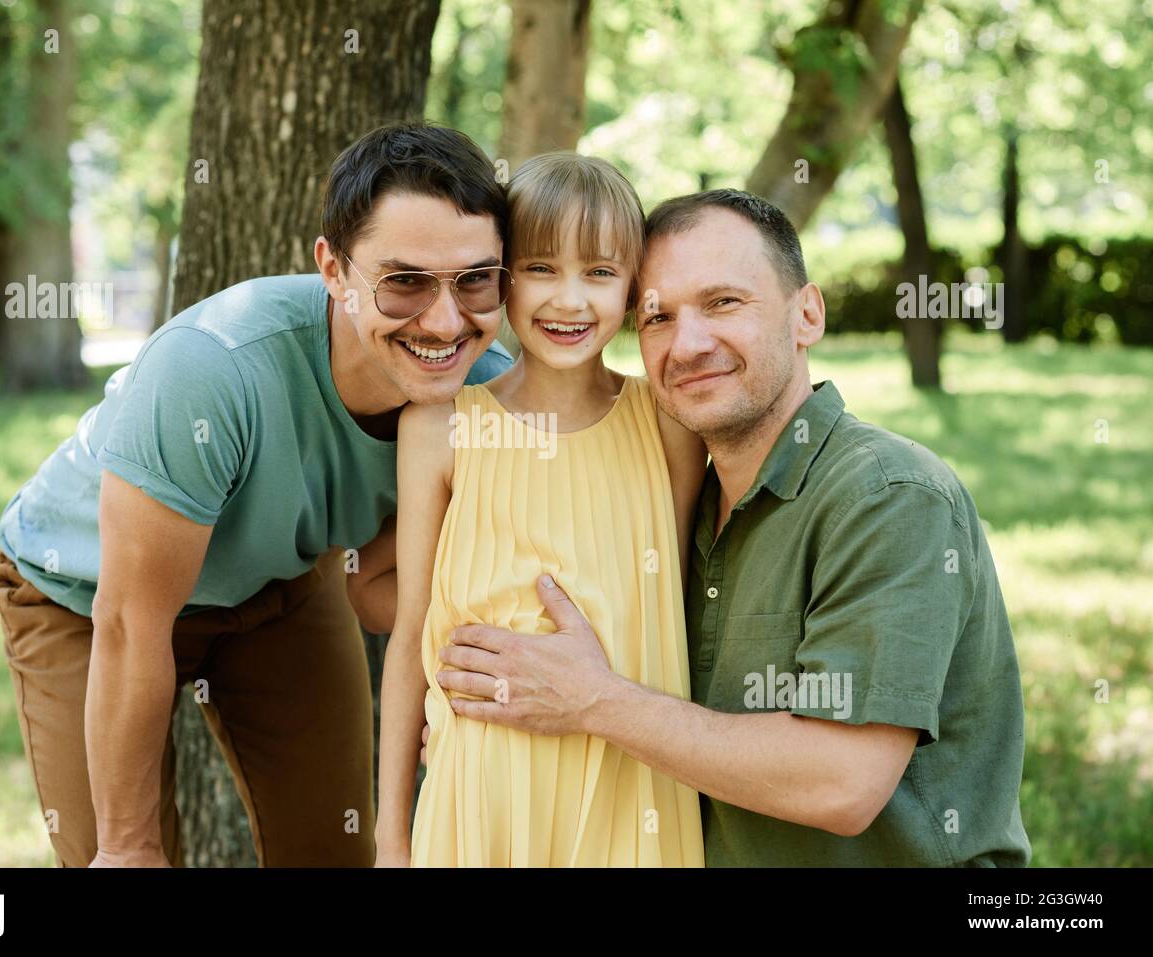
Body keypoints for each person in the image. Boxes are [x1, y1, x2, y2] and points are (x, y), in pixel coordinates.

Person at [434, 188, 1032, 866]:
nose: (688, 343)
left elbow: (843, 780)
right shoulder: (672, 501)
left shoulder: (888, 496)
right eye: (657, 316)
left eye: (723, 302)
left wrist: (593, 701)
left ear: (807, 314)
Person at [0, 123, 513, 868]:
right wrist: (128, 846)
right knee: (120, 856)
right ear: (332, 269)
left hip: (282, 581)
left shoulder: (489, 394)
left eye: (475, 279)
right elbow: (131, 622)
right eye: (404, 282)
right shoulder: (211, 370)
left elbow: (382, 589)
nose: (445, 320)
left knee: (334, 850)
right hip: (84, 595)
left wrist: (475, 672)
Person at [374, 153, 707, 867]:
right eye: (540, 268)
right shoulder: (439, 427)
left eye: (599, 271)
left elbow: (673, 599)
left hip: (633, 792)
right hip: (481, 801)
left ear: (632, 289)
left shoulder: (667, 423)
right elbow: (409, 639)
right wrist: (390, 838)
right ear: (502, 278)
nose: (570, 300)